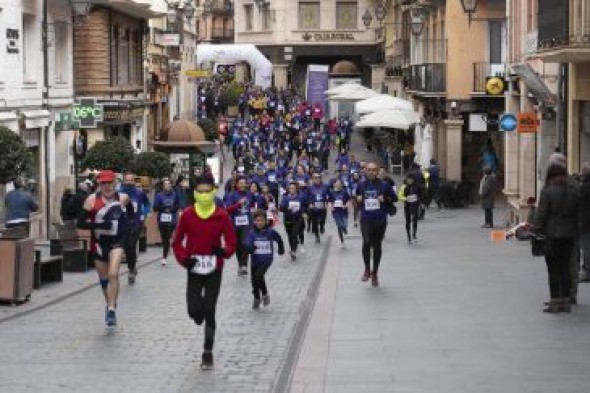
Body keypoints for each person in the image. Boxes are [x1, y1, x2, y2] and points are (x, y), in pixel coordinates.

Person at [172, 175, 237, 370]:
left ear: (213, 192)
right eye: (200, 191)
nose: (203, 194)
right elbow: (176, 242)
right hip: (194, 267)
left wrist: (224, 252)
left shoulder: (222, 216)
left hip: (214, 268)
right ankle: (198, 315)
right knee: (194, 310)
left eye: (207, 191)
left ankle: (207, 352)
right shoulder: (188, 215)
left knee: (209, 308)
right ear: (194, 193)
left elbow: (231, 240)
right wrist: (184, 259)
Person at [77, 170, 132, 328]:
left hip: (117, 241)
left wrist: (129, 227)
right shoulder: (91, 200)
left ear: (115, 183)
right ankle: (109, 304)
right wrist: (99, 225)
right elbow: (80, 223)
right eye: (103, 183)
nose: (107, 186)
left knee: (113, 273)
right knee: (104, 281)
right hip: (99, 242)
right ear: (99, 185)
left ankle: (112, 309)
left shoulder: (123, 198)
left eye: (110, 183)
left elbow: (130, 213)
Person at [534, 164, 580, 313]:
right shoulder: (573, 191)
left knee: (553, 270)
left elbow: (541, 216)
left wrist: (537, 231)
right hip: (569, 234)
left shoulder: (547, 191)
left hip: (552, 234)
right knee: (565, 268)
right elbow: (577, 213)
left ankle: (555, 302)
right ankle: (565, 302)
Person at [355, 162, 397, 286]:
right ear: (365, 171)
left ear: (377, 171)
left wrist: (385, 199)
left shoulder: (384, 185)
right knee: (366, 242)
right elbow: (357, 197)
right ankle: (367, 269)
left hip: (380, 219)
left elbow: (395, 198)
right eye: (369, 170)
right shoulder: (361, 184)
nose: (371, 172)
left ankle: (375, 272)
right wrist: (358, 199)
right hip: (366, 219)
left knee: (377, 246)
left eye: (374, 170)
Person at [244, 210, 285, 309]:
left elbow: (278, 238)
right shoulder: (252, 233)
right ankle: (257, 297)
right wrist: (250, 248)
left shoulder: (270, 232)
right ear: (254, 221)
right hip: (255, 260)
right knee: (254, 280)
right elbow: (247, 243)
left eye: (262, 221)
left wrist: (281, 249)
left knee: (259, 275)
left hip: (267, 259)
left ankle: (265, 294)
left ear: (266, 221)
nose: (259, 223)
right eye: (257, 221)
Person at [120, 172, 150, 282]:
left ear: (134, 181)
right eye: (126, 180)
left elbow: (147, 204)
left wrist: (144, 212)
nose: (128, 182)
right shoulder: (118, 193)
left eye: (130, 180)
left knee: (131, 245)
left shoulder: (139, 193)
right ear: (123, 181)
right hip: (121, 225)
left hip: (135, 224)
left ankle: (131, 271)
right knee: (126, 248)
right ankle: (132, 267)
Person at [225, 176, 254, 276]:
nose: (242, 185)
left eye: (244, 183)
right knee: (238, 245)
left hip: (247, 224)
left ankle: (244, 266)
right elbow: (227, 209)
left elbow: (252, 206)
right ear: (237, 184)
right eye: (240, 183)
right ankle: (241, 264)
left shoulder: (249, 194)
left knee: (245, 243)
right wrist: (238, 204)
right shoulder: (232, 195)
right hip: (235, 224)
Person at [153, 179, 180, 267]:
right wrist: (164, 208)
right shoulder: (159, 195)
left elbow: (177, 205)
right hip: (161, 220)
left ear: (171, 186)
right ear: (163, 186)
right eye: (166, 184)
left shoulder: (175, 195)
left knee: (167, 237)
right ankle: (166, 249)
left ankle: (164, 257)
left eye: (169, 184)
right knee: (164, 238)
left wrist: (172, 209)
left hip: (171, 220)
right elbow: (155, 207)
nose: (167, 186)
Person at [280, 182, 307, 261]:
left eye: (293, 188)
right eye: (290, 188)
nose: (292, 190)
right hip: (288, 220)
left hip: (297, 219)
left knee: (294, 234)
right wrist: (287, 208)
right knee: (289, 236)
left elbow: (304, 206)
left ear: (296, 189)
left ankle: (293, 251)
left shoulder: (300, 197)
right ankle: (292, 248)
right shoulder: (285, 198)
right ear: (288, 189)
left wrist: (304, 213)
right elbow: (281, 208)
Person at [398, 172, 424, 244]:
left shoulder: (417, 186)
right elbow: (399, 196)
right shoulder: (404, 187)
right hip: (407, 206)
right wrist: (406, 199)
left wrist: (420, 201)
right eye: (408, 179)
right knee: (408, 221)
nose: (409, 181)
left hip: (415, 206)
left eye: (411, 179)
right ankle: (408, 235)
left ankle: (414, 234)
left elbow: (421, 195)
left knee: (415, 221)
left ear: (413, 180)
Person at [327, 178, 351, 248]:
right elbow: (329, 202)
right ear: (334, 184)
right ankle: (342, 241)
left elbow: (348, 200)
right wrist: (331, 207)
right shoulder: (331, 193)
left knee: (344, 224)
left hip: (344, 211)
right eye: (337, 183)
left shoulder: (344, 192)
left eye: (339, 183)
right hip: (336, 212)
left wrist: (345, 206)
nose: (338, 184)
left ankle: (344, 228)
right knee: (339, 226)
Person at [306, 172, 329, 244]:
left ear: (320, 179)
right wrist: (310, 204)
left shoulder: (325, 187)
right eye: (315, 178)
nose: (317, 179)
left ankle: (322, 226)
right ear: (313, 179)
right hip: (314, 208)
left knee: (322, 220)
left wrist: (326, 202)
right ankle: (317, 236)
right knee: (315, 223)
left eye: (318, 178)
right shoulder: (310, 188)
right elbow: (308, 197)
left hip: (322, 207)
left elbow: (328, 195)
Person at [579, 163, 590, 282]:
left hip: (586, 223)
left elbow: (579, 204)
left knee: (587, 248)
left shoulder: (584, 187)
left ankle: (587, 272)